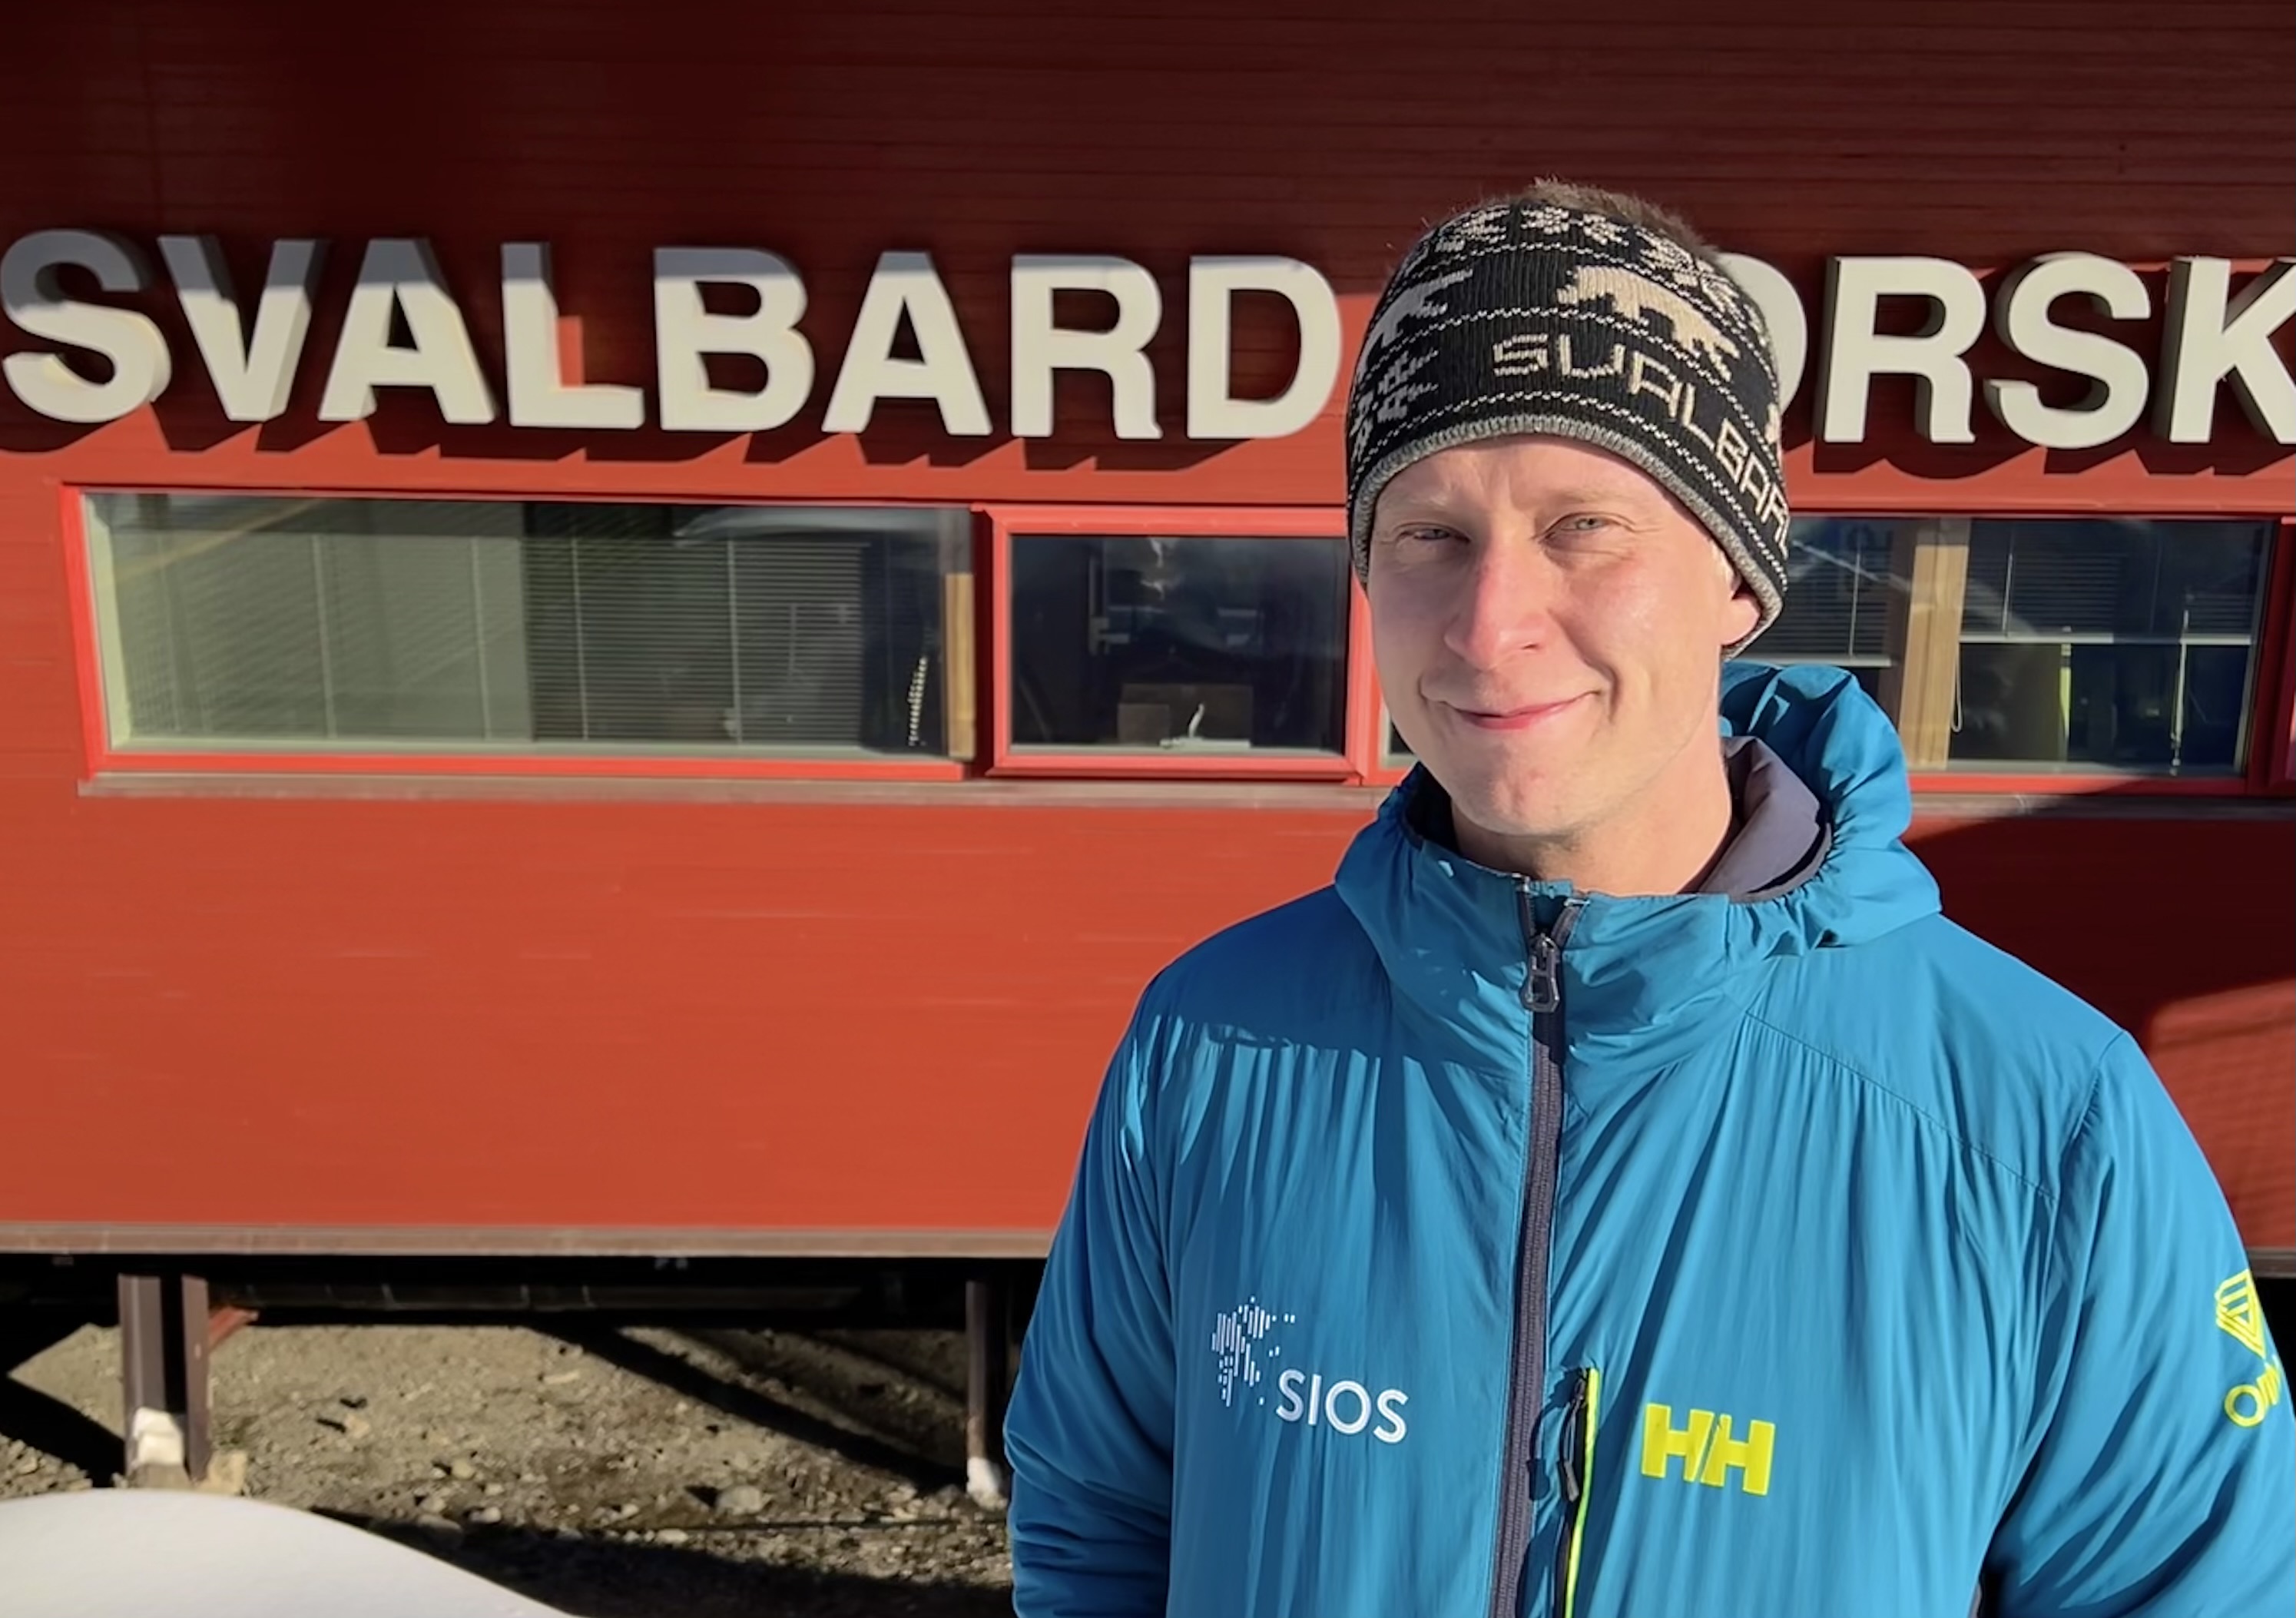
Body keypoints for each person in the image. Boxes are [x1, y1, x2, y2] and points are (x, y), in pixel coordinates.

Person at [999, 181, 2296, 1618]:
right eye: (1429, 533)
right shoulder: (1210, 1041)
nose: (1493, 626)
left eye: (1582, 524)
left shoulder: (2042, 1119)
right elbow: (1097, 1518)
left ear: (1739, 575)